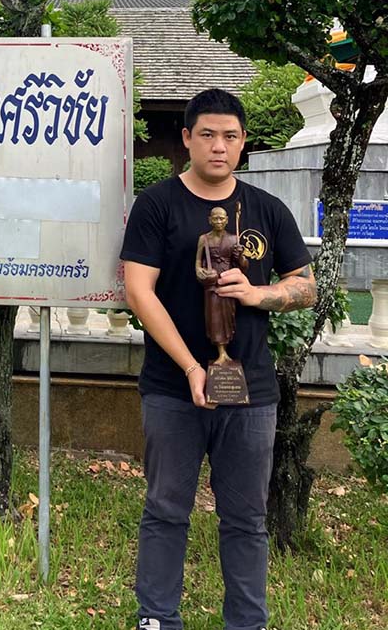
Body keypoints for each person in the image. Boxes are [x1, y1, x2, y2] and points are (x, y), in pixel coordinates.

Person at [121, 88, 316, 630]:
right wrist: (190, 367)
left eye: (230, 136)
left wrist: (258, 293)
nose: (218, 146)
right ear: (187, 138)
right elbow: (139, 291)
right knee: (166, 509)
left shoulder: (266, 210)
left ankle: (247, 623)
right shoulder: (157, 205)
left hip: (251, 390)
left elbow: (306, 286)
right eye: (207, 134)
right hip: (172, 387)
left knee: (247, 518)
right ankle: (157, 619)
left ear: (243, 141)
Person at [195, 206, 247, 358]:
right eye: (215, 218)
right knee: (214, 318)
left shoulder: (234, 239)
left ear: (227, 220)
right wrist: (199, 271)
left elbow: (243, 267)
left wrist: (240, 256)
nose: (219, 221)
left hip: (227, 280)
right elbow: (198, 261)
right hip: (211, 283)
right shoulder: (204, 239)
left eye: (222, 218)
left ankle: (226, 351)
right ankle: (221, 352)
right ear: (209, 220)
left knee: (228, 317)